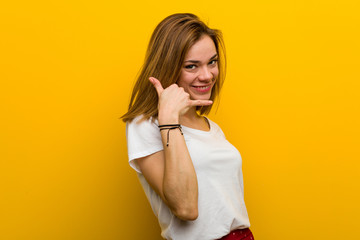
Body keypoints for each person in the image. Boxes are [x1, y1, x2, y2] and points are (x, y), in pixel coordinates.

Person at [122, 13, 254, 240]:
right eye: (192, 66)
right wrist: (169, 118)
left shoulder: (211, 128)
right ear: (168, 67)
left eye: (212, 62)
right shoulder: (145, 125)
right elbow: (186, 208)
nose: (207, 75)